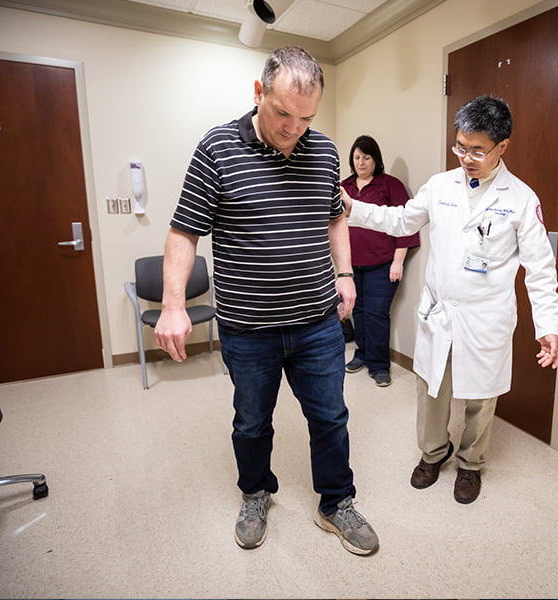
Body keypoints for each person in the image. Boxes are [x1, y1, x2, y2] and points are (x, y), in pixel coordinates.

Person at [154, 46, 378, 555]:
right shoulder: (216, 148)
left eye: (306, 118)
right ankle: (255, 493)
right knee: (252, 422)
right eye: (282, 113)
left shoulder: (323, 151)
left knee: (331, 417)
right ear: (259, 93)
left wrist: (344, 272)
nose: (293, 128)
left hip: (317, 321)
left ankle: (336, 502)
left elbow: (335, 214)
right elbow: (184, 232)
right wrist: (172, 304)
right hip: (247, 328)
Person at [341, 95, 558, 505]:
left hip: (486, 316)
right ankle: (433, 453)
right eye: (460, 146)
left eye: (477, 149)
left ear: (502, 147)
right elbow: (401, 219)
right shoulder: (440, 186)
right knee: (432, 388)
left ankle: (471, 463)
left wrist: (548, 327)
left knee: (481, 396)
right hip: (440, 311)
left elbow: (541, 269)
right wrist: (356, 209)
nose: (466, 157)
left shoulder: (521, 200)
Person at [341, 135, 420, 387]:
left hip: (382, 264)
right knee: (359, 312)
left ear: (376, 159)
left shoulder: (390, 185)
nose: (361, 162)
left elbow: (406, 225)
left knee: (377, 314)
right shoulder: (345, 186)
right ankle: (362, 354)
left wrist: (398, 262)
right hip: (352, 266)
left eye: (366, 157)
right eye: (357, 157)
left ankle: (379, 365)